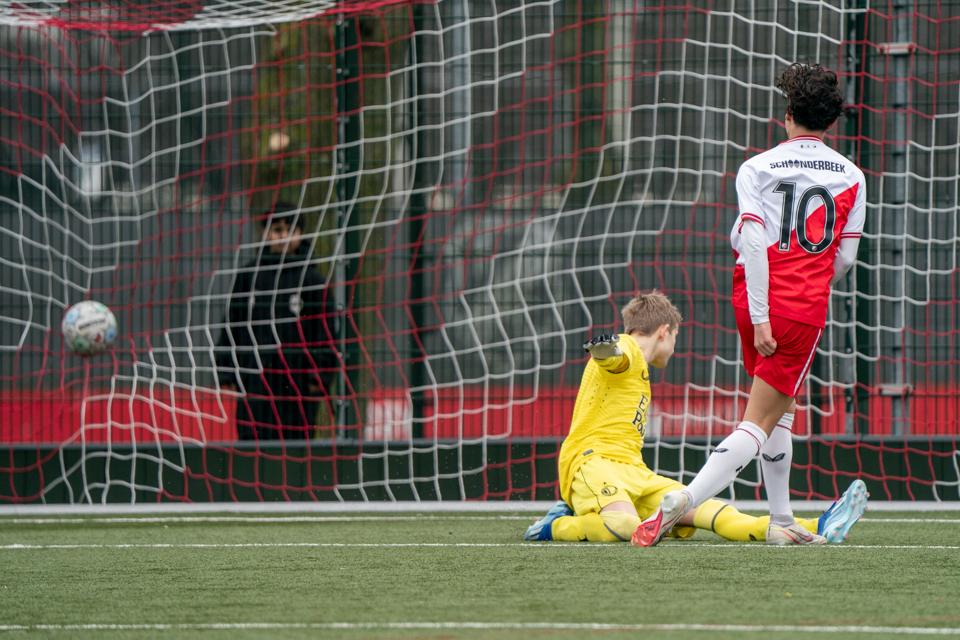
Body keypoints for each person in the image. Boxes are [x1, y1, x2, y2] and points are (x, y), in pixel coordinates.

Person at [634, 63, 868, 547]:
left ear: (787, 116)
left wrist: (759, 312)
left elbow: (751, 239)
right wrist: (785, 303)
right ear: (830, 123)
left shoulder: (756, 166)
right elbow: (844, 257)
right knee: (759, 419)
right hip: (798, 308)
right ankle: (685, 501)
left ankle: (780, 517)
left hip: (749, 297)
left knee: (780, 410)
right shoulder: (852, 176)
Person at [524, 290, 866, 545]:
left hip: (635, 472)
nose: (674, 347)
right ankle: (553, 525)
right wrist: (604, 348)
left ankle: (810, 526)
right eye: (675, 337)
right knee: (621, 527)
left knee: (716, 513)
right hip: (591, 464)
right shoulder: (630, 348)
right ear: (664, 330)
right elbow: (616, 354)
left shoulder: (637, 366)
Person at [216, 202, 338, 441]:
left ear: (300, 234)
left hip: (296, 386)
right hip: (255, 381)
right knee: (253, 447)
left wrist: (319, 375)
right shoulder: (249, 277)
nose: (283, 237)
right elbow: (233, 323)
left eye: (290, 230)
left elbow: (325, 331)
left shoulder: (312, 280)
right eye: (277, 230)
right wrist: (225, 369)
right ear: (266, 233)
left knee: (295, 453)